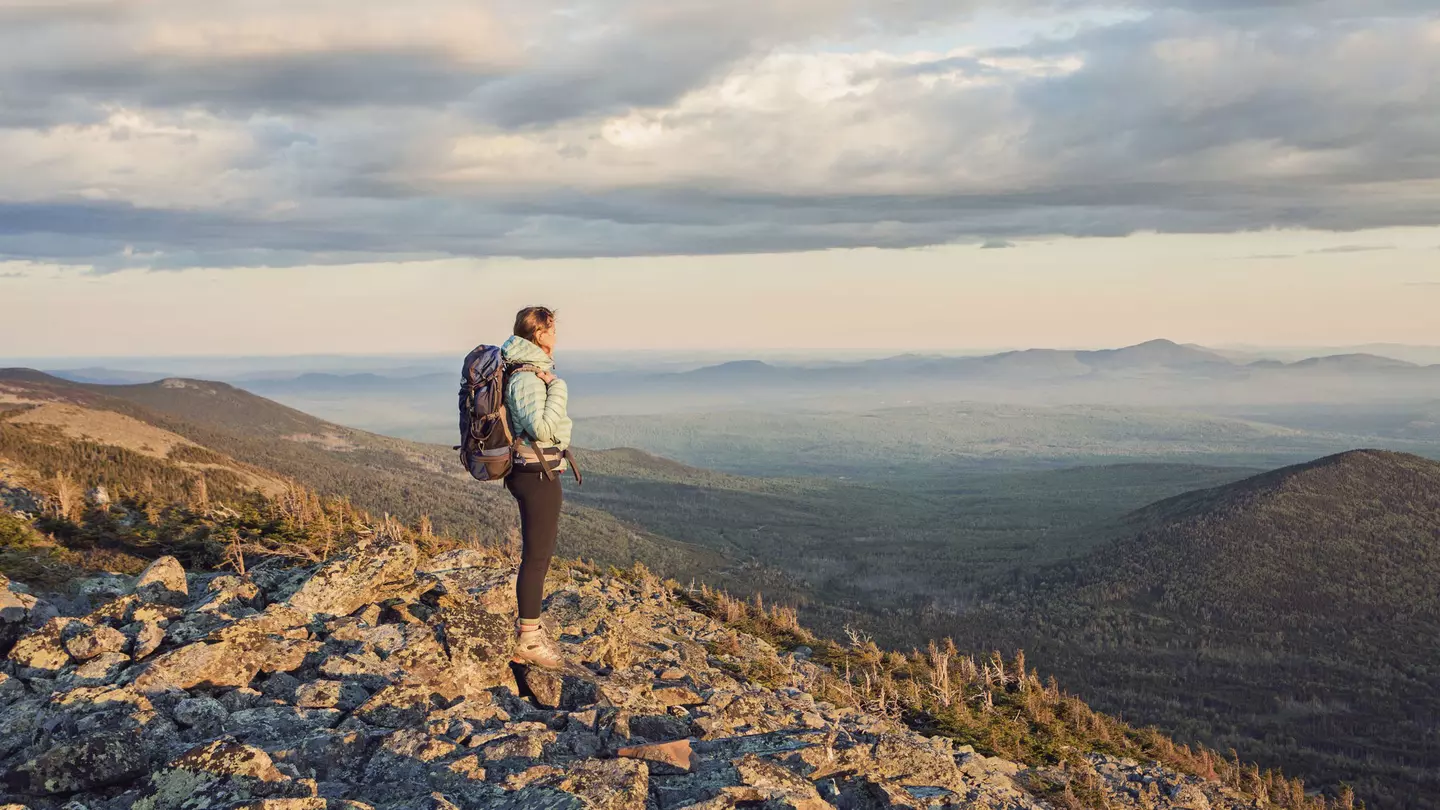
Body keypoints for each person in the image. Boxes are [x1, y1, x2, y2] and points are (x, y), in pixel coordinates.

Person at [501, 306, 572, 669]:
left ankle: (531, 630)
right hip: (535, 472)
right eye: (552, 328)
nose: (556, 334)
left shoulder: (524, 371)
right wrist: (558, 388)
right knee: (537, 556)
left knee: (538, 554)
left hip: (533, 469)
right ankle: (528, 639)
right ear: (539, 334)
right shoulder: (528, 377)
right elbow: (542, 429)